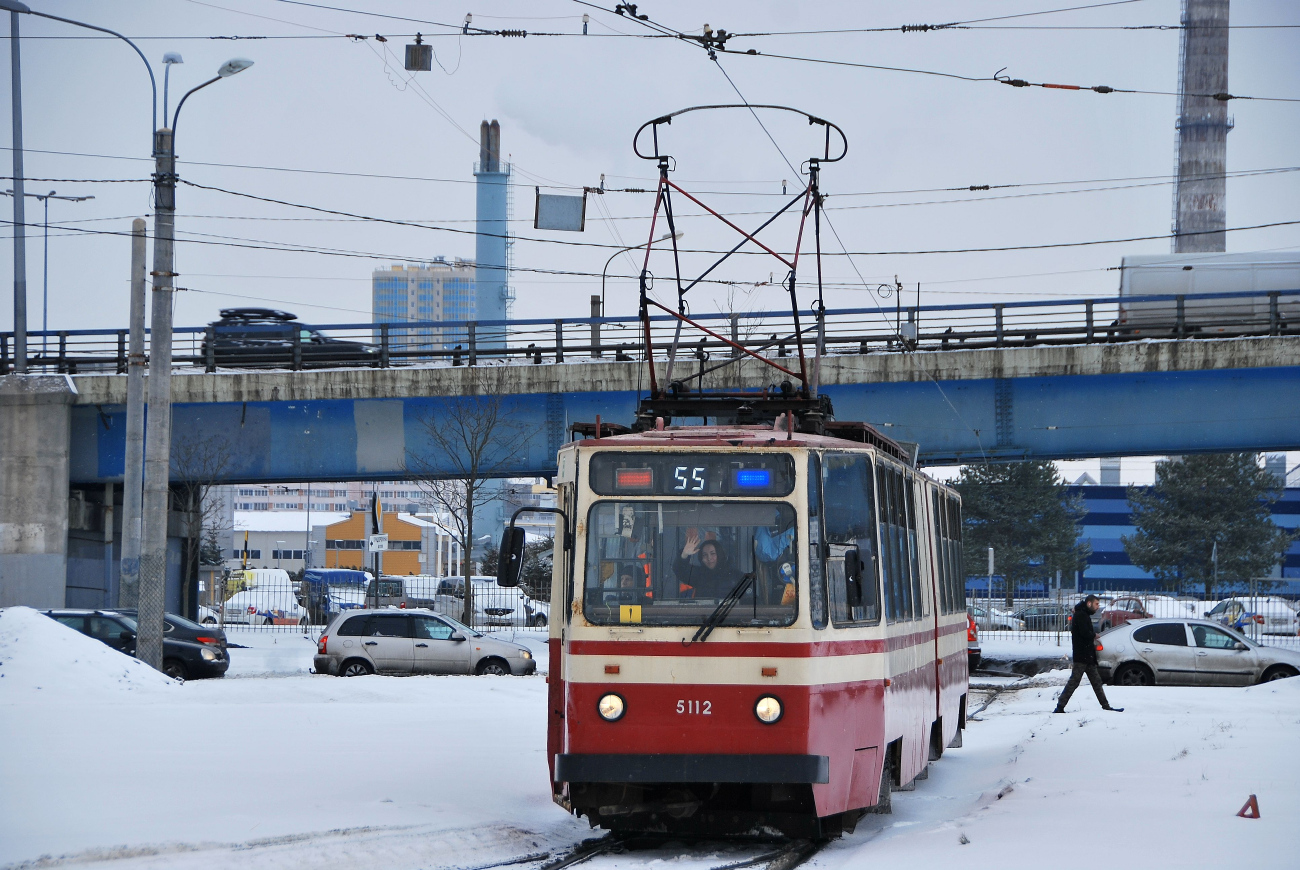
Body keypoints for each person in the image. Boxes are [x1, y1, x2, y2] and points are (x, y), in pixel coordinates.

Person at [1054, 595, 1123, 713]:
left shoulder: (1082, 614)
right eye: (1096, 604)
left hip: (1087, 655)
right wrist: (1094, 635)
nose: (1098, 607)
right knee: (1075, 682)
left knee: (1096, 682)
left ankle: (1105, 706)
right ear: (1089, 604)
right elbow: (1085, 633)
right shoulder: (1081, 615)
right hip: (1082, 656)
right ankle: (1060, 706)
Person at [674, 529, 740, 600]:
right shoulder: (699, 575)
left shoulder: (734, 575)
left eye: (713, 553)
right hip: (702, 610)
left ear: (719, 554)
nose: (709, 558)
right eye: (704, 555)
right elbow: (680, 570)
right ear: (701, 558)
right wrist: (685, 554)